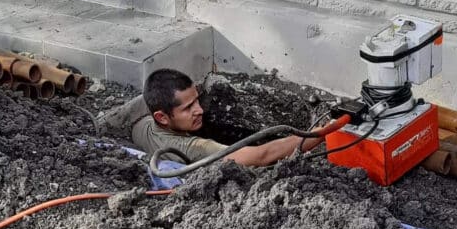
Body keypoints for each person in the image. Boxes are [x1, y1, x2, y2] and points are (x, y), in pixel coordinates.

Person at [98, 68, 324, 167]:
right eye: (188, 108)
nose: (200, 110)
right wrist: (324, 132)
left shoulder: (142, 122)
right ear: (162, 117)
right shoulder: (192, 147)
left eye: (196, 101)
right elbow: (261, 155)